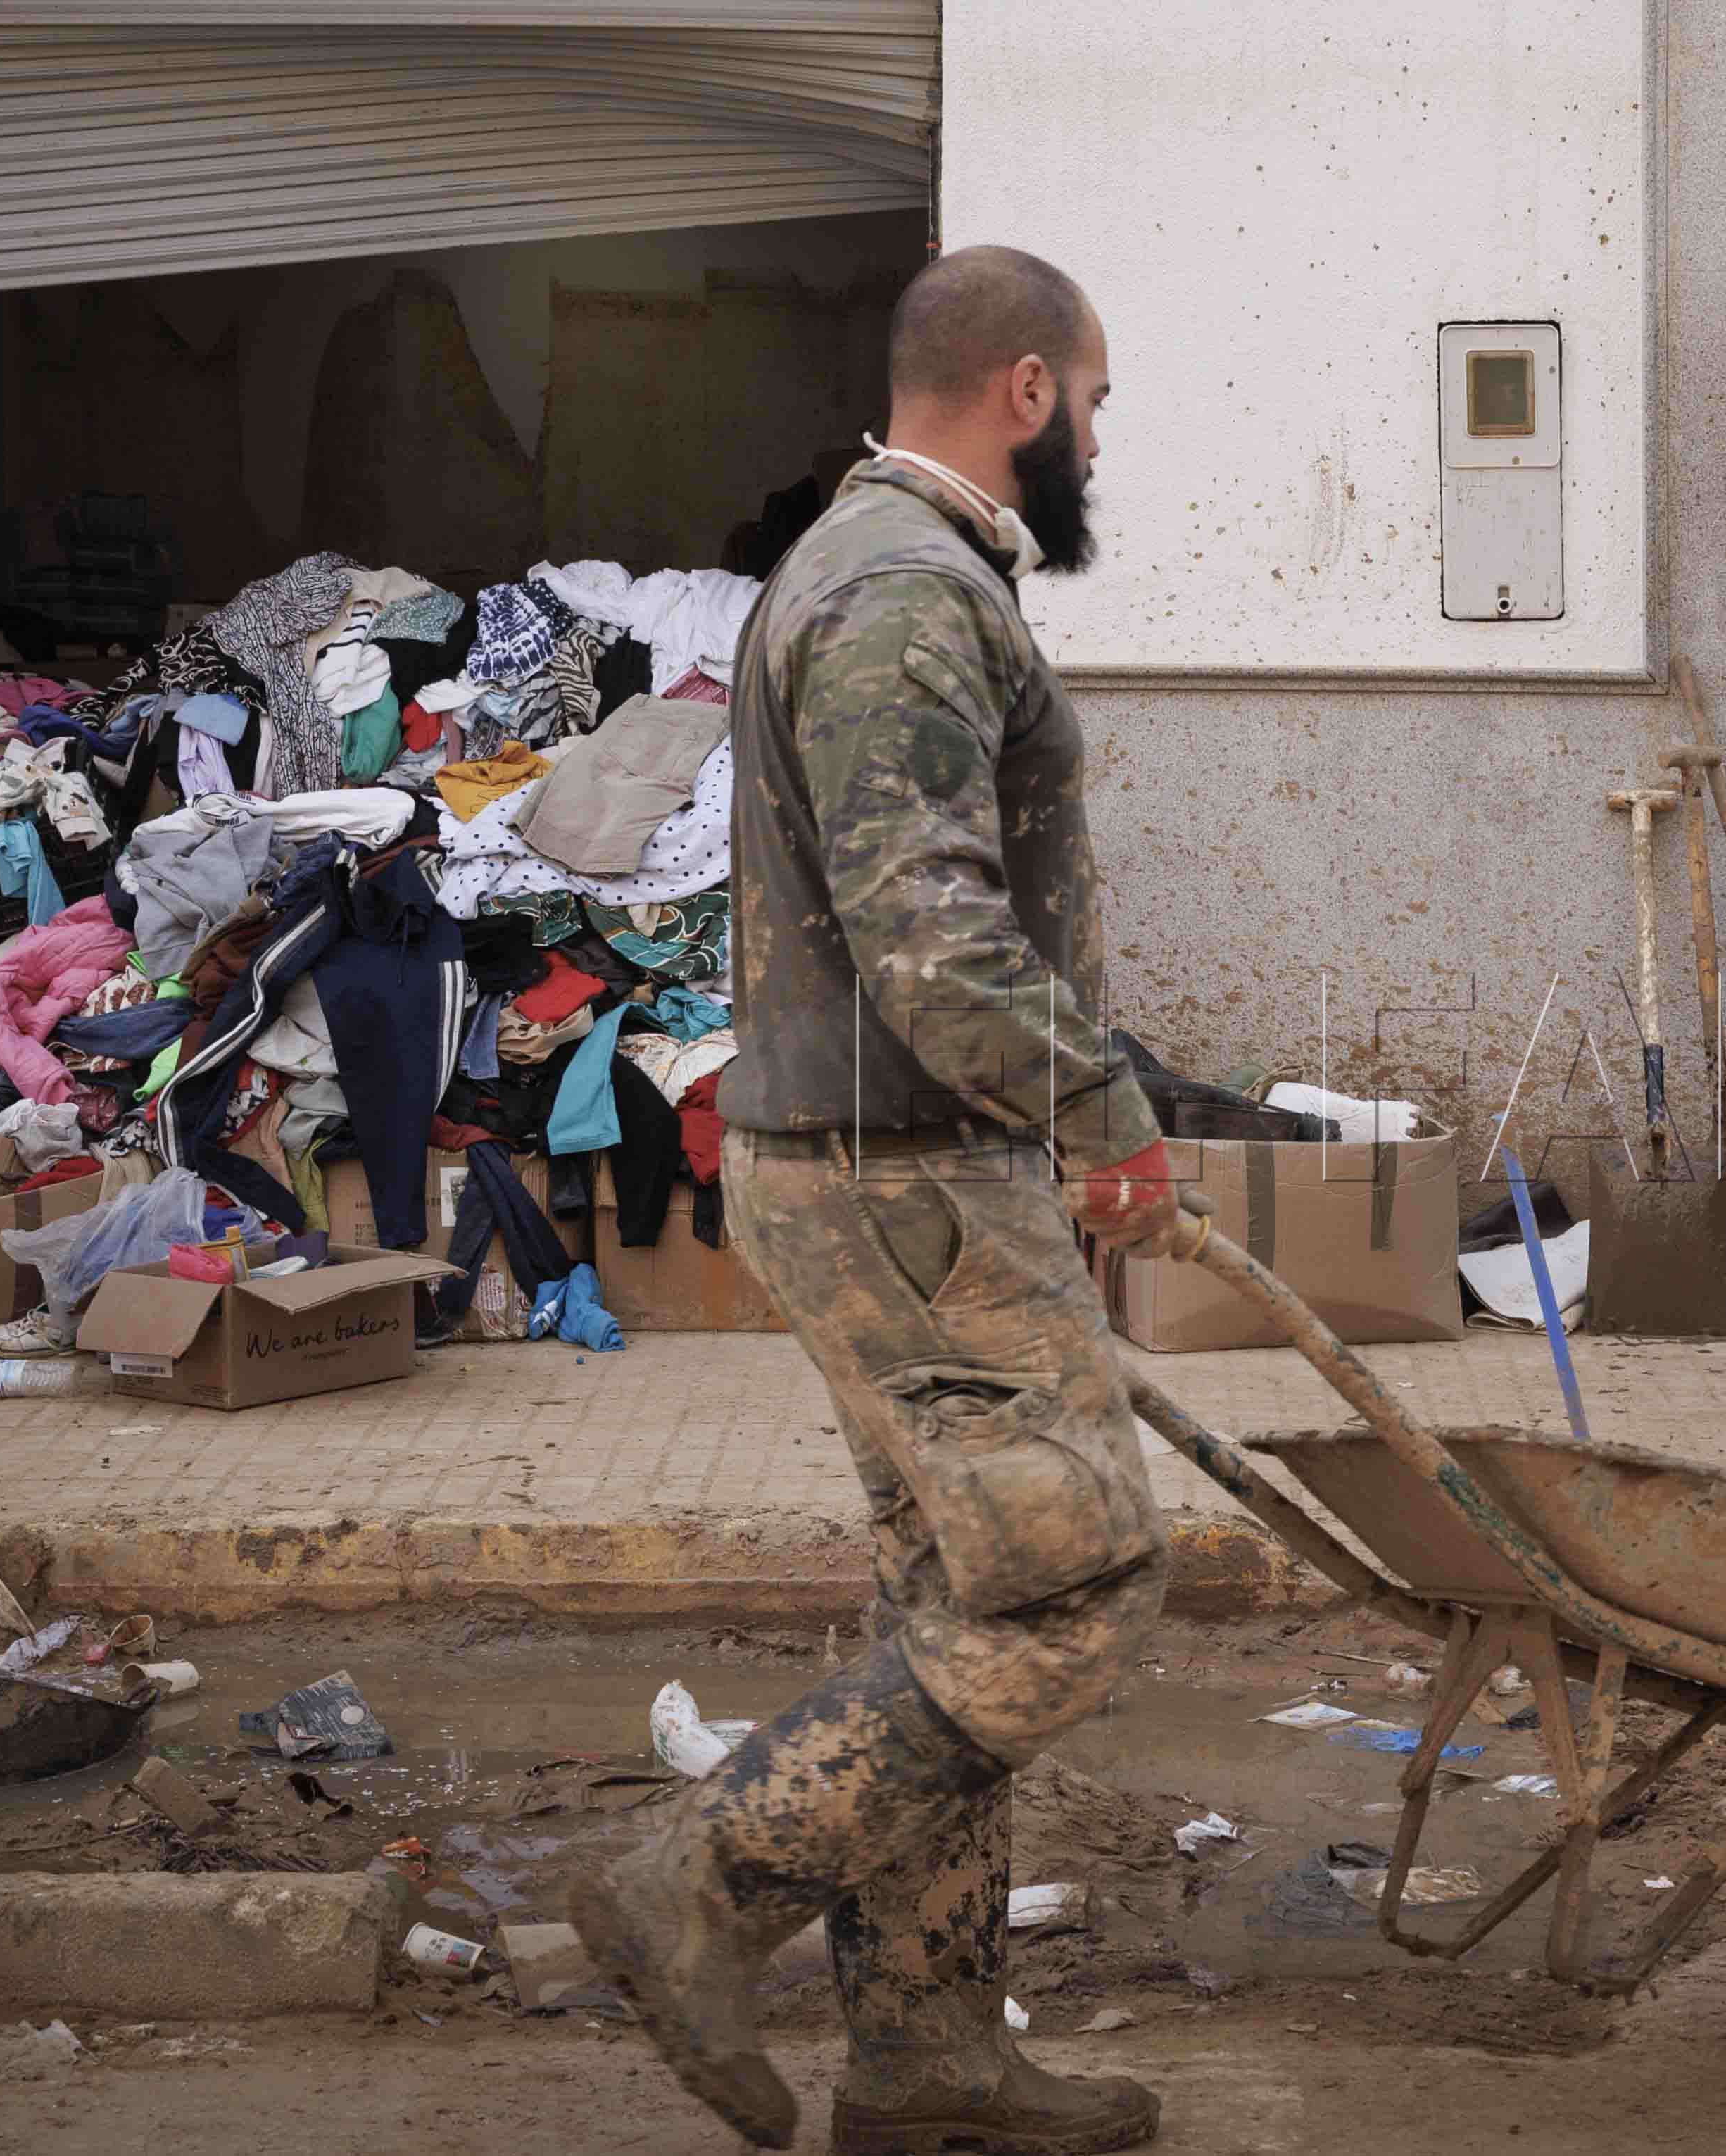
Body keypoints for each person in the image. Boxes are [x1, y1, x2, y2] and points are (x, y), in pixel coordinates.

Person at [574, 244, 1177, 2156]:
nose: (1099, 443)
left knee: (968, 1591)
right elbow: (930, 933)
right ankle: (700, 1882)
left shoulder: (873, 566)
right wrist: (1102, 1107)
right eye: (1095, 401)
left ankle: (925, 2057)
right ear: (1025, 388)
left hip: (884, 1164)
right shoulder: (906, 590)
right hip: (906, 1175)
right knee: (1073, 1583)